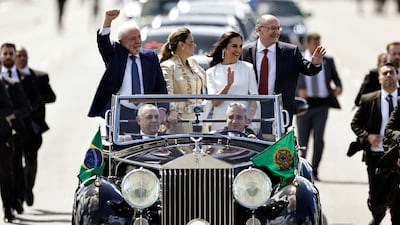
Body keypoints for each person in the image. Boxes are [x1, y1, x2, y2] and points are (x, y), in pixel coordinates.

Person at [241, 14, 326, 134]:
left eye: (278, 28)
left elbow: (308, 69)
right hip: (251, 110)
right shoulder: (246, 52)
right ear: (259, 30)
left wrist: (315, 63)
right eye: (272, 29)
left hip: (278, 111)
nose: (276, 32)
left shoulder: (290, 52)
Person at [88, 9, 169, 134]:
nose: (138, 41)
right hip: (121, 113)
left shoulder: (150, 57)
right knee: (121, 149)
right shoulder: (115, 55)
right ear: (121, 43)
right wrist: (108, 21)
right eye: (132, 39)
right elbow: (103, 42)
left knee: (147, 150)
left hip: (147, 114)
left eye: (139, 37)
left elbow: (160, 85)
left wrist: (163, 108)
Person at [351, 62, 399, 225]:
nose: (388, 75)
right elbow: (355, 124)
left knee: (396, 198)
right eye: (384, 73)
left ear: (397, 75)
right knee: (376, 198)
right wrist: (367, 136)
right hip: (375, 156)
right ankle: (378, 215)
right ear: (379, 78)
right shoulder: (368, 100)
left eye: (391, 72)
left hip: (396, 158)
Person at [296, 33, 343, 180]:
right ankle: (302, 169)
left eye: (319, 43)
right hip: (303, 105)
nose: (317, 46)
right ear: (306, 44)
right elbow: (290, 81)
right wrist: (298, 91)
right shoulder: (299, 59)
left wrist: (339, 87)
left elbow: (336, 78)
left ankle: (315, 170)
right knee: (302, 139)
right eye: (314, 43)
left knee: (319, 138)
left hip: (322, 105)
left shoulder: (327, 61)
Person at [15, 46, 56, 207]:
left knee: (31, 161)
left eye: (24, 55)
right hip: (15, 129)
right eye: (18, 55)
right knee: (15, 164)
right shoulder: (5, 78)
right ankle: (17, 196)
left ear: (27, 57)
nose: (21, 58)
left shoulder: (39, 77)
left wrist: (38, 101)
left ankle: (28, 188)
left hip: (33, 128)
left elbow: (51, 97)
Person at [206, 31, 259, 132]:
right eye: (234, 46)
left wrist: (250, 116)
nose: (238, 50)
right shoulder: (211, 72)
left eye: (240, 46)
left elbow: (254, 98)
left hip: (243, 124)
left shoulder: (248, 68)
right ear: (224, 48)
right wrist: (228, 85)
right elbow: (215, 102)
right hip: (220, 124)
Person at [159, 27, 207, 134]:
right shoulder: (168, 66)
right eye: (191, 42)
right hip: (179, 119)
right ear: (181, 45)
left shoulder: (193, 63)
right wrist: (172, 110)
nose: (195, 45)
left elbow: (205, 85)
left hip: (199, 118)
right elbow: (167, 91)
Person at [0, 77, 17, 223]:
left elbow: (9, 108)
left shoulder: (1, 85)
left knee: (5, 176)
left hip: (2, 139)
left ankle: (8, 208)